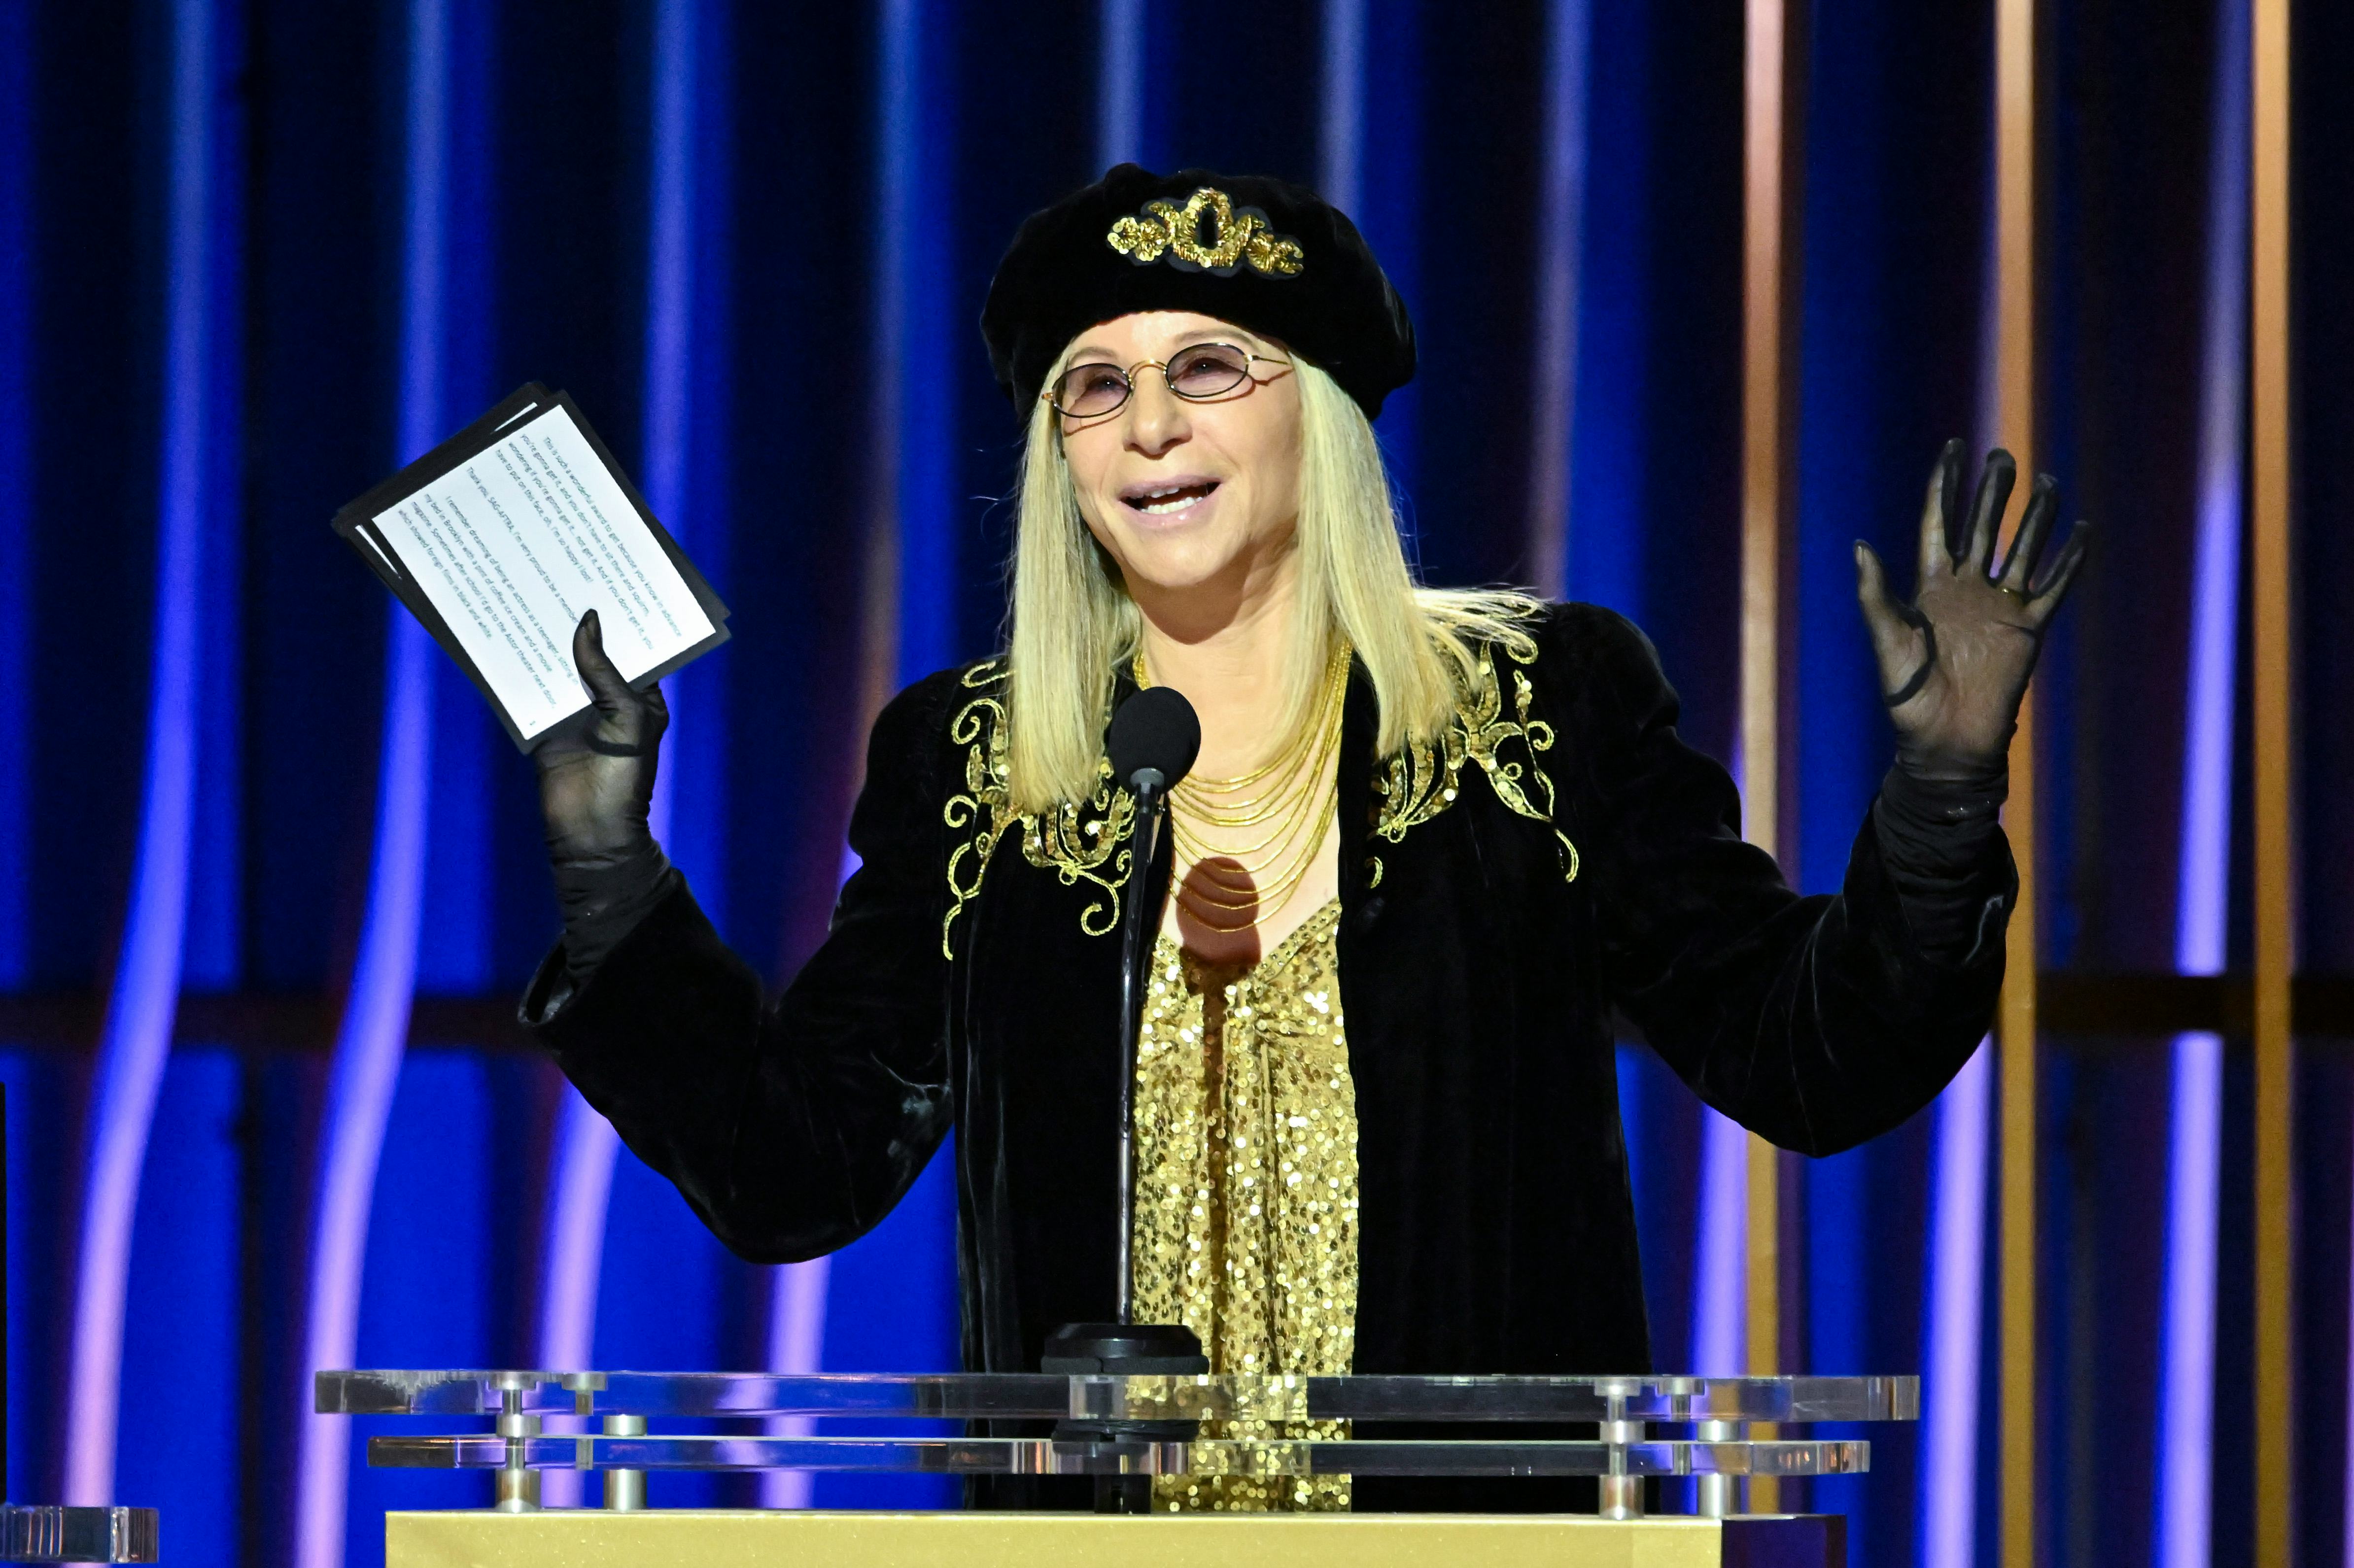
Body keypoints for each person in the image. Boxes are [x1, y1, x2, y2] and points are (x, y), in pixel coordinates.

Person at [521, 165, 2085, 1512]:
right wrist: (609, 872)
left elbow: (1810, 1060)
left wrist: (1944, 785)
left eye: (1207, 367)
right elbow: (797, 1169)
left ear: (1319, 422)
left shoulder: (1534, 714)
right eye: (1096, 383)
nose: (1146, 428)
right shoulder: (976, 764)